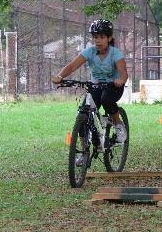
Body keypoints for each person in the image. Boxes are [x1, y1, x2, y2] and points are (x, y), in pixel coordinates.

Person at [53, 19, 128, 149]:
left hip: (113, 87)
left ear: (109, 38)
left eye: (102, 37)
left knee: (106, 100)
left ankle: (118, 125)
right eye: (95, 37)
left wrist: (120, 80)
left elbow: (123, 73)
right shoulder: (89, 52)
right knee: (83, 114)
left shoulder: (115, 53)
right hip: (95, 86)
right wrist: (60, 76)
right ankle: (84, 152)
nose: (98, 40)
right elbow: (72, 67)